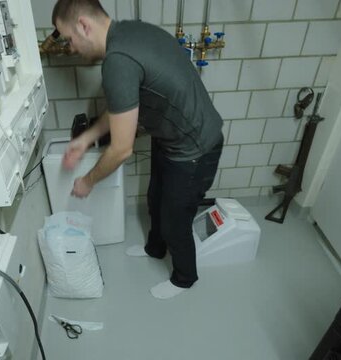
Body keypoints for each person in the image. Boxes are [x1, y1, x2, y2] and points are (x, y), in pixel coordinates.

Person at [53, 0, 223, 299]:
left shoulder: (117, 61)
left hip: (194, 148)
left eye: (69, 39)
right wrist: (86, 138)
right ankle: (155, 249)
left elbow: (120, 150)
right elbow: (122, 107)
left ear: (83, 25)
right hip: (172, 138)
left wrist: (87, 181)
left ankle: (185, 278)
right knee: (156, 199)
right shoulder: (129, 32)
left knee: (175, 221)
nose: (71, 48)